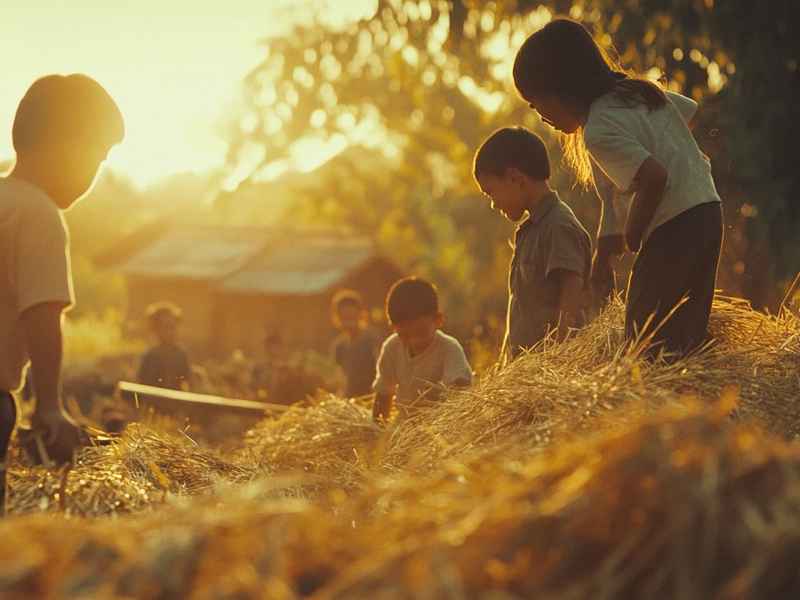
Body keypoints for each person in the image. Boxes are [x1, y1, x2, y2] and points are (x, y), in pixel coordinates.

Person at [513, 18, 723, 357]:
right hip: (708, 210)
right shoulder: (637, 93)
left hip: (674, 226)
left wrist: (634, 234)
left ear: (561, 90)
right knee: (686, 331)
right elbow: (688, 110)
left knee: (643, 339)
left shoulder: (598, 130)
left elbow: (654, 178)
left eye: (537, 104)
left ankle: (662, 389)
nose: (540, 116)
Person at [0, 74, 124, 514]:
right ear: (69, 145)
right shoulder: (38, 213)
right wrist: (49, 405)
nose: (94, 174)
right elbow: (42, 313)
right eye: (98, 156)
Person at [473, 127, 592, 361]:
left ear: (515, 178)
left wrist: (559, 360)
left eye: (491, 192)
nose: (493, 204)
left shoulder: (558, 226)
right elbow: (519, 306)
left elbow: (571, 296)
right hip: (527, 369)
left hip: (553, 368)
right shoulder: (529, 231)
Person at [372, 277, 472, 422]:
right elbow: (383, 394)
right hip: (404, 426)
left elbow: (460, 393)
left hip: (440, 425)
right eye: (404, 335)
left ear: (438, 320)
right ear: (393, 328)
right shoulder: (392, 347)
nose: (414, 341)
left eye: (420, 333)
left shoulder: (449, 349)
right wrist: (377, 429)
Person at [330, 289, 381, 398]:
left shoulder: (373, 340)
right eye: (344, 317)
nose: (348, 321)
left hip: (371, 398)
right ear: (337, 318)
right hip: (351, 400)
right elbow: (341, 379)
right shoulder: (339, 346)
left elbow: (383, 374)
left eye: (351, 316)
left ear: (361, 314)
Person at [137, 302, 192, 391]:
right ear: (156, 329)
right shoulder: (150, 357)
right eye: (166, 327)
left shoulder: (180, 355)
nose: (171, 332)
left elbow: (188, 382)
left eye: (173, 327)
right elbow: (143, 387)